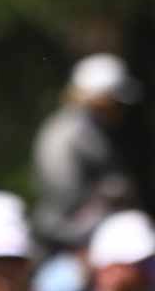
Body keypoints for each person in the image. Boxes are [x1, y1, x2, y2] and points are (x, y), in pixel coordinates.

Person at [33, 54, 141, 253]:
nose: (121, 110)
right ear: (99, 98)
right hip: (72, 245)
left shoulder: (86, 129)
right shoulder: (72, 133)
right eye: (116, 102)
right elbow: (66, 202)